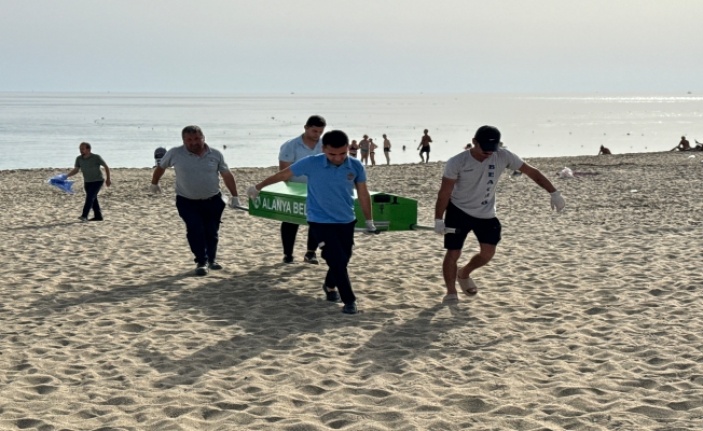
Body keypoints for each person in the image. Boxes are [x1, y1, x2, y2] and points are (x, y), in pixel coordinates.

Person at [247, 130, 376, 315]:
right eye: (332, 154)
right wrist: (258, 187)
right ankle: (349, 300)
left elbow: (363, 193)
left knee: (344, 258)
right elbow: (283, 175)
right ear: (323, 149)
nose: (338, 158)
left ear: (348, 149)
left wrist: (369, 220)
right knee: (336, 259)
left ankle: (330, 286)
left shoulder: (355, 165)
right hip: (319, 220)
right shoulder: (311, 162)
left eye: (342, 153)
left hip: (346, 219)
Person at [434, 125, 565, 303]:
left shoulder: (503, 155)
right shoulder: (457, 162)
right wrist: (438, 219)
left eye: (492, 149)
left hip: (486, 212)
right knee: (453, 252)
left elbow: (532, 172)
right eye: (485, 149)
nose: (489, 153)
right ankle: (451, 292)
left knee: (487, 253)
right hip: (458, 210)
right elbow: (444, 192)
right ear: (474, 142)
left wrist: (554, 193)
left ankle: (464, 273)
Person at [150, 125, 240, 276]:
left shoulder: (215, 154)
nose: (194, 142)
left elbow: (227, 175)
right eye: (189, 140)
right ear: (184, 140)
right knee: (195, 229)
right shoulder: (175, 153)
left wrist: (235, 196)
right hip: (187, 201)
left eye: (197, 138)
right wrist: (154, 183)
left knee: (212, 231)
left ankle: (212, 260)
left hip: (213, 200)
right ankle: (201, 261)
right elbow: (161, 167)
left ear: (203, 138)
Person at [277, 115, 326, 264]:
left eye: (320, 132)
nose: (317, 135)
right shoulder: (291, 145)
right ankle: (288, 254)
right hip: (294, 188)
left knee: (317, 222)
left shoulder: (325, 145)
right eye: (314, 131)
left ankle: (310, 253)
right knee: (290, 221)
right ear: (305, 128)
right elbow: (283, 171)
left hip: (318, 189)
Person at [66, 142, 111, 222]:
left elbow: (106, 167)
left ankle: (84, 216)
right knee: (93, 198)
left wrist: (108, 179)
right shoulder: (79, 158)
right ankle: (98, 216)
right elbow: (76, 170)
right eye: (80, 149)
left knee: (90, 197)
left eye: (83, 149)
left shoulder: (96, 157)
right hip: (87, 182)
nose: (81, 150)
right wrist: (66, 176)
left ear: (88, 149)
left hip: (98, 181)